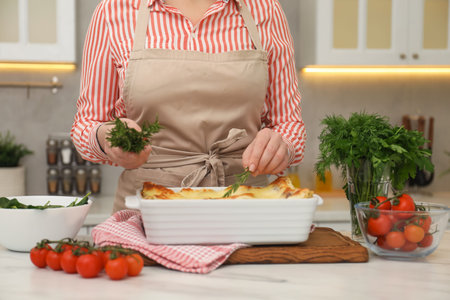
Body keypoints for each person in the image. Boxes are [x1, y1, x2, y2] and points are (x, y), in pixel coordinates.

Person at [71, 0, 306, 213]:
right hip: (148, 209)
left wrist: (282, 146)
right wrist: (106, 138)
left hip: (244, 207)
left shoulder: (265, 9)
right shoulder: (114, 10)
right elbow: (87, 124)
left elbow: (288, 124)